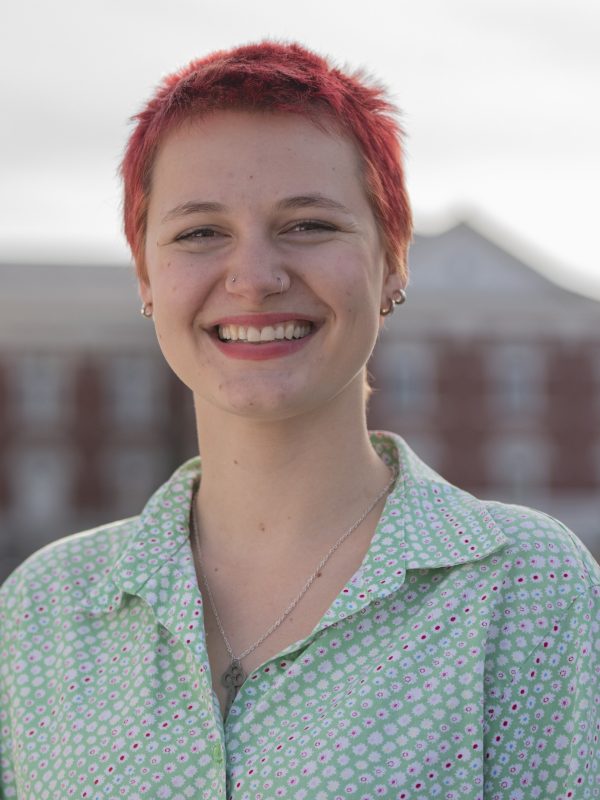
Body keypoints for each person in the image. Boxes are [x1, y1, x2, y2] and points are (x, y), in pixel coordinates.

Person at [1, 41, 598, 800]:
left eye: (310, 225)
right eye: (199, 232)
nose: (255, 277)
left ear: (393, 260)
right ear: (146, 276)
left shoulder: (524, 589)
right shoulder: (43, 612)